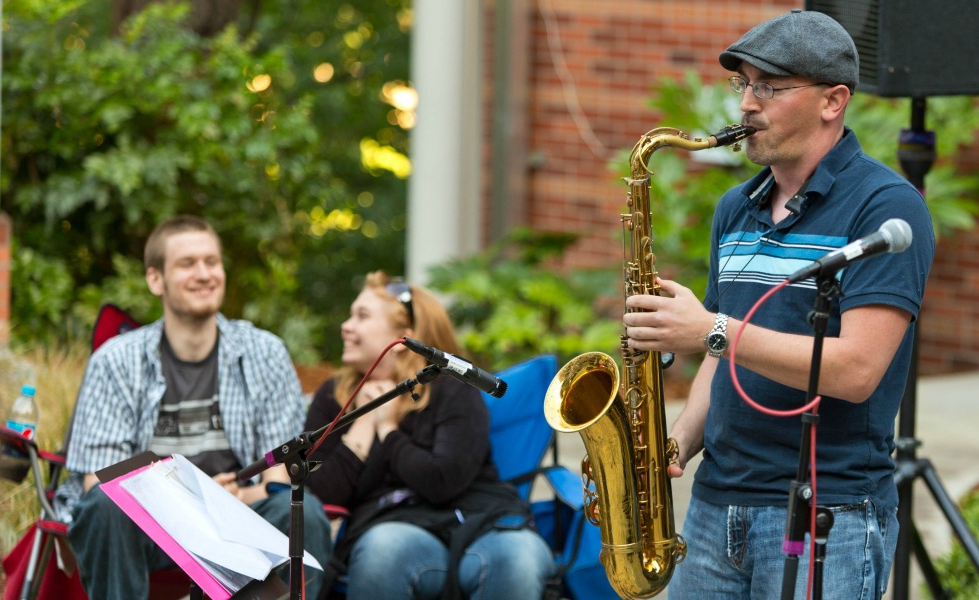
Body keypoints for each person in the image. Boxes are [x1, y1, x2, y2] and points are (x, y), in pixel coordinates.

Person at [622, 10, 934, 600]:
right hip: (715, 508)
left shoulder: (886, 208)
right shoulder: (734, 210)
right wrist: (678, 443)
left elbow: (856, 370)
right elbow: (722, 357)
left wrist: (712, 329)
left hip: (829, 516)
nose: (746, 104)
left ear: (832, 101)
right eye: (743, 84)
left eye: (769, 86)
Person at [55, 215, 332, 599]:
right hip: (150, 521)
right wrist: (198, 502)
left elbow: (281, 473)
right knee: (103, 506)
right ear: (156, 280)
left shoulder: (264, 352)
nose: (204, 273)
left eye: (211, 262)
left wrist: (229, 502)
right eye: (187, 264)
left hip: (240, 515)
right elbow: (100, 480)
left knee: (305, 513)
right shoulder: (116, 360)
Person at [303, 271, 557, 600]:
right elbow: (319, 493)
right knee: (383, 551)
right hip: (396, 530)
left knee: (517, 559)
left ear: (404, 337)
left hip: (481, 523)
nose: (345, 326)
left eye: (361, 316)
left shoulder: (453, 384)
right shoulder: (333, 396)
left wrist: (389, 430)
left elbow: (443, 480)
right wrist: (365, 423)